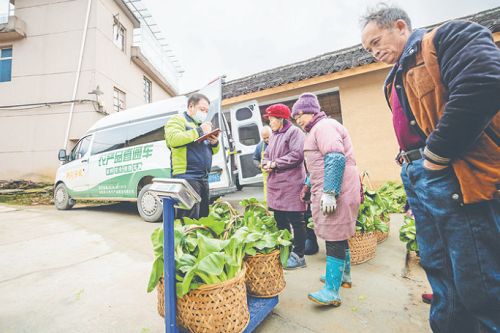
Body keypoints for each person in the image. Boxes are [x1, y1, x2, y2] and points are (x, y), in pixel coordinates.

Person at [361, 5, 500, 332]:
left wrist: (435, 156)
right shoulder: (396, 74)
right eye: (368, 50)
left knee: (477, 278)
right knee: (439, 270)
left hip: (454, 173)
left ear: (399, 27)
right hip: (419, 176)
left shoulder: (447, 38)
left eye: (377, 42)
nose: (374, 52)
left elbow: (482, 83)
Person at [292, 93, 361, 307]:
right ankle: (344, 277)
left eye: (299, 117)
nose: (299, 122)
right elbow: (317, 164)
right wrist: (308, 185)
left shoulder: (324, 127)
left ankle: (331, 291)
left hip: (337, 187)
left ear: (309, 112)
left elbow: (335, 157)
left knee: (334, 236)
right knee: (339, 233)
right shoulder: (317, 129)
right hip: (331, 185)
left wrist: (330, 191)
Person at [262, 103, 308, 269]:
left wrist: (275, 164)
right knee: (280, 219)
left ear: (281, 119)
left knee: (297, 220)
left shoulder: (294, 132)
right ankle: (286, 250)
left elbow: (297, 155)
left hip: (291, 184)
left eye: (272, 119)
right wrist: (266, 164)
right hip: (275, 186)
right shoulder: (273, 135)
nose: (270, 123)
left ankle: (299, 255)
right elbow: (266, 155)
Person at [164, 93, 220, 221]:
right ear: (190, 106)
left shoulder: (200, 126)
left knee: (202, 218)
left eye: (206, 111)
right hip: (186, 178)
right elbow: (173, 139)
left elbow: (212, 151)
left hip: (203, 179)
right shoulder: (177, 120)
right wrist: (200, 131)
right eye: (201, 109)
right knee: (188, 221)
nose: (204, 113)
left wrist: (214, 142)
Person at [252, 125, 272, 200]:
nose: (267, 139)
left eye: (268, 137)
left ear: (272, 133)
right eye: (264, 138)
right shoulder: (260, 146)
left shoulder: (277, 142)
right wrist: (261, 166)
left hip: (278, 176)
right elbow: (254, 159)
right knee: (268, 199)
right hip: (267, 179)